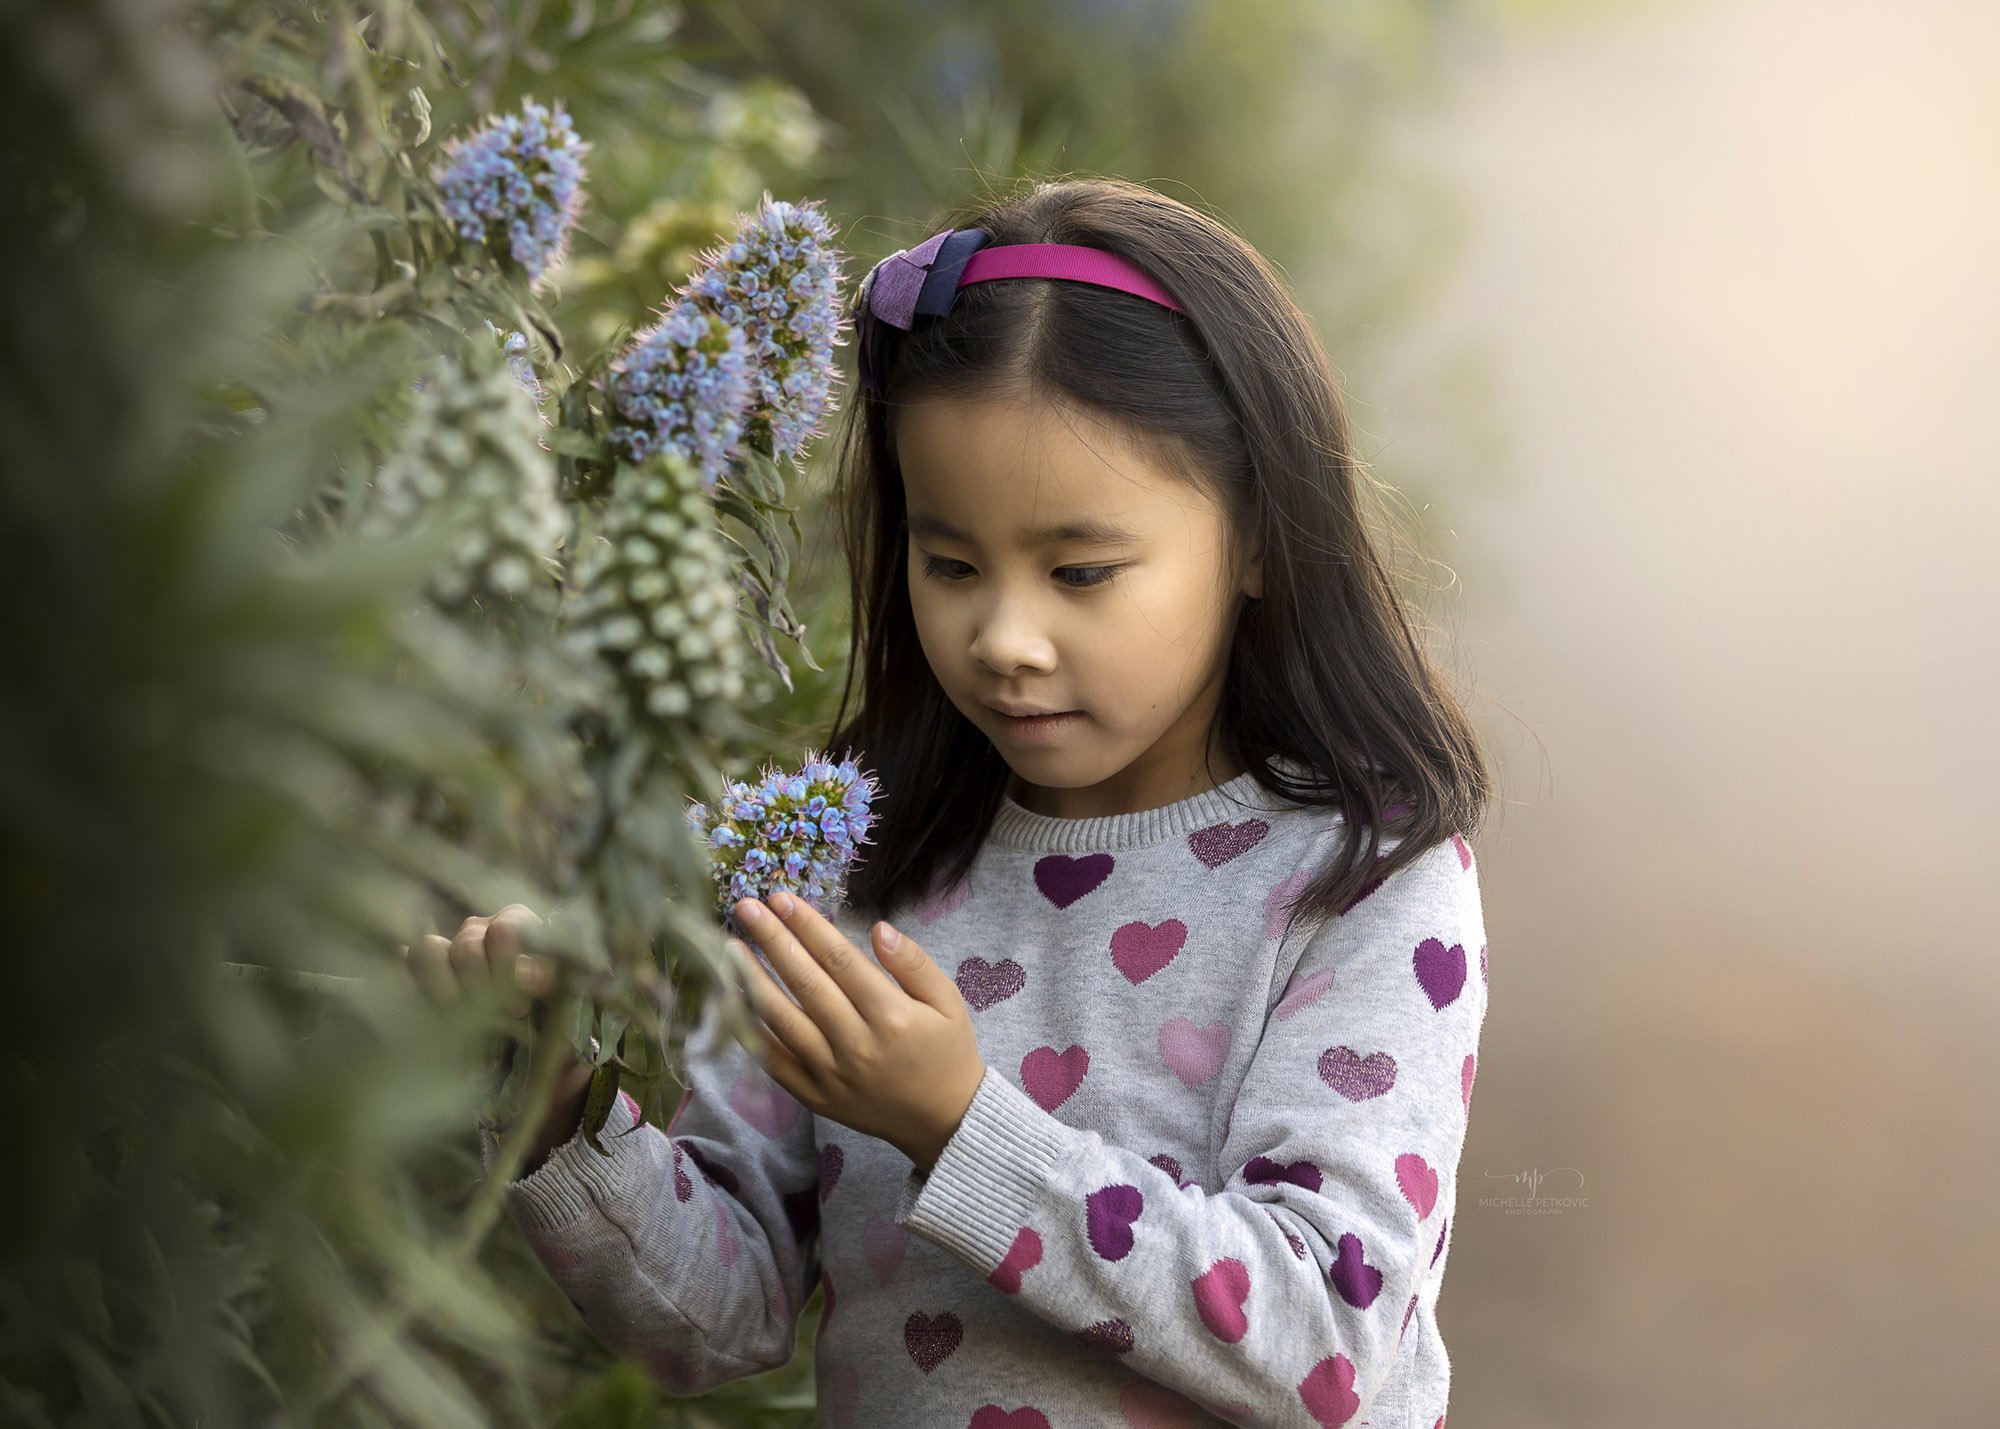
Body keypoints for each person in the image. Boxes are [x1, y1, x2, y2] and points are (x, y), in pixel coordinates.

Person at [411, 175, 1492, 1428]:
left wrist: (958, 1130)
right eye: (950, 563)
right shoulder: (856, 868)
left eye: (1080, 570)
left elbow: (1330, 1346)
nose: (1004, 637)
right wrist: (562, 1110)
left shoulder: (1362, 876)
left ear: (1253, 535)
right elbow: (718, 1317)